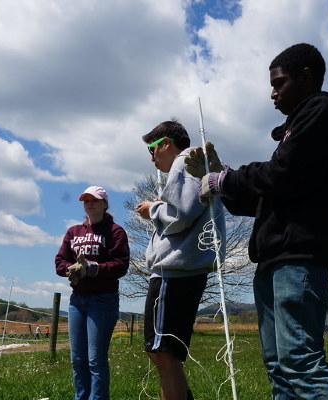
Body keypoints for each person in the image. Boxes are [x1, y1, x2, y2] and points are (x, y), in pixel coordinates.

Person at [185, 43, 328, 399]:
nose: (272, 94)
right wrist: (221, 183)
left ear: (306, 76)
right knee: (278, 366)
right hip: (274, 259)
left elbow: (280, 174)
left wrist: (226, 178)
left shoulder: (322, 113)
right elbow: (266, 197)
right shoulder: (296, 129)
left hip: (299, 258)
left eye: (278, 83)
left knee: (301, 363)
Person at [135, 120, 225, 400]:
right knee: (161, 351)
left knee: (164, 352)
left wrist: (154, 209)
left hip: (174, 275)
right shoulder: (190, 166)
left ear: (165, 143)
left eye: (152, 150)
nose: (151, 158)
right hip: (176, 273)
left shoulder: (187, 160)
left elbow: (181, 214)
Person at [55, 185, 130, 400]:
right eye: (86, 200)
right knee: (77, 359)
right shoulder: (74, 232)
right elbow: (60, 261)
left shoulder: (115, 232)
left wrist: (92, 268)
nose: (90, 204)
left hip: (103, 300)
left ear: (105, 204)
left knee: (95, 360)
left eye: (95, 200)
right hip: (77, 301)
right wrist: (71, 270)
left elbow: (121, 265)